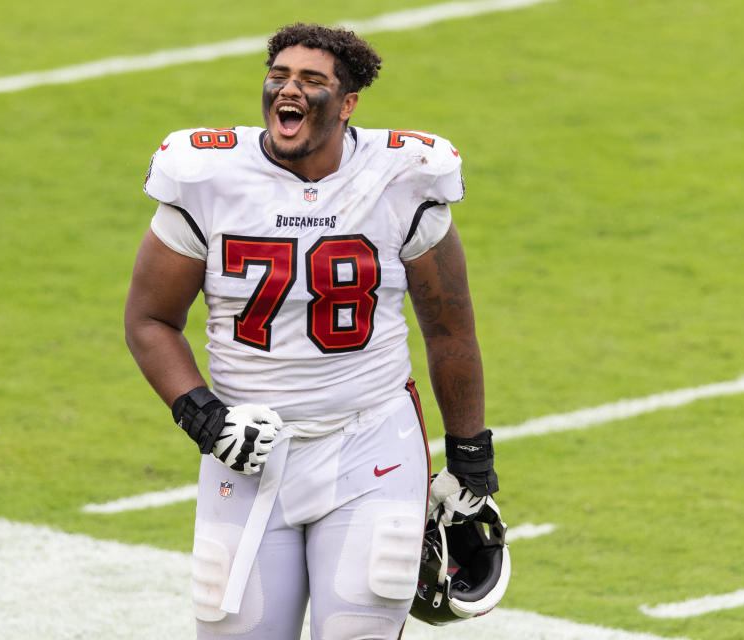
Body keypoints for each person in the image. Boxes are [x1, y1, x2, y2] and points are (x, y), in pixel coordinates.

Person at [124, 23, 499, 640]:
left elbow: (451, 330)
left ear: (348, 103)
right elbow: (150, 320)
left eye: (310, 81)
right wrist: (203, 416)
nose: (287, 90)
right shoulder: (207, 176)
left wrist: (470, 455)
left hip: (370, 439)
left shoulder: (401, 177)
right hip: (245, 448)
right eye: (278, 76)